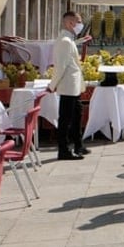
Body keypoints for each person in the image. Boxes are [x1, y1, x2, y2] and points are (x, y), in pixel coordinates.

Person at [48, 10, 91, 160]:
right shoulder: (65, 41)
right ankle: (64, 149)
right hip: (68, 85)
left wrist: (82, 41)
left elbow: (71, 47)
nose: (80, 24)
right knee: (65, 119)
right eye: (78, 21)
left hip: (74, 85)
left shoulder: (69, 39)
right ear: (69, 23)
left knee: (77, 116)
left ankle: (78, 144)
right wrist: (52, 85)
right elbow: (60, 66)